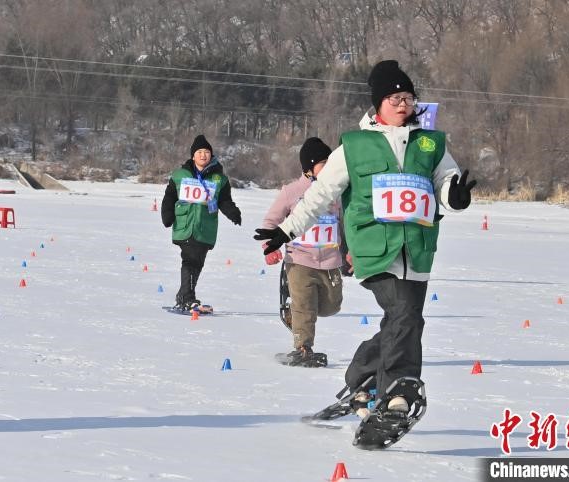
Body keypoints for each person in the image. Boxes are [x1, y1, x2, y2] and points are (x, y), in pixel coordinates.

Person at [255, 60, 476, 415]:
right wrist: (285, 231)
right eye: (394, 98)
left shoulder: (430, 143)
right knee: (403, 315)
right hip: (374, 249)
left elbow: (447, 182)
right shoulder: (354, 146)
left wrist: (456, 196)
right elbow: (319, 194)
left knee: (405, 320)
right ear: (378, 104)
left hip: (416, 252)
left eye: (408, 97)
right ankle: (398, 389)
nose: (403, 104)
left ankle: (361, 377)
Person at [261, 137, 349, 366]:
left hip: (330, 261)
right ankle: (303, 348)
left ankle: (298, 313)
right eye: (323, 163)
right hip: (299, 259)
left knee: (332, 306)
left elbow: (345, 225)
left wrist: (350, 252)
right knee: (305, 306)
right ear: (309, 167)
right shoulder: (292, 192)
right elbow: (271, 221)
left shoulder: (337, 192)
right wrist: (269, 248)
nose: (329, 168)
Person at [162, 134, 241, 311]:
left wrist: (233, 213)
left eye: (206, 152)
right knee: (190, 260)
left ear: (211, 155)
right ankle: (187, 298)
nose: (203, 155)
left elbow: (224, 200)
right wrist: (167, 215)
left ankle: (184, 295)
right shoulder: (180, 175)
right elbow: (169, 197)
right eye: (199, 152)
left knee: (197, 262)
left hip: (206, 227)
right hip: (186, 225)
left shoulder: (219, 179)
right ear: (193, 156)